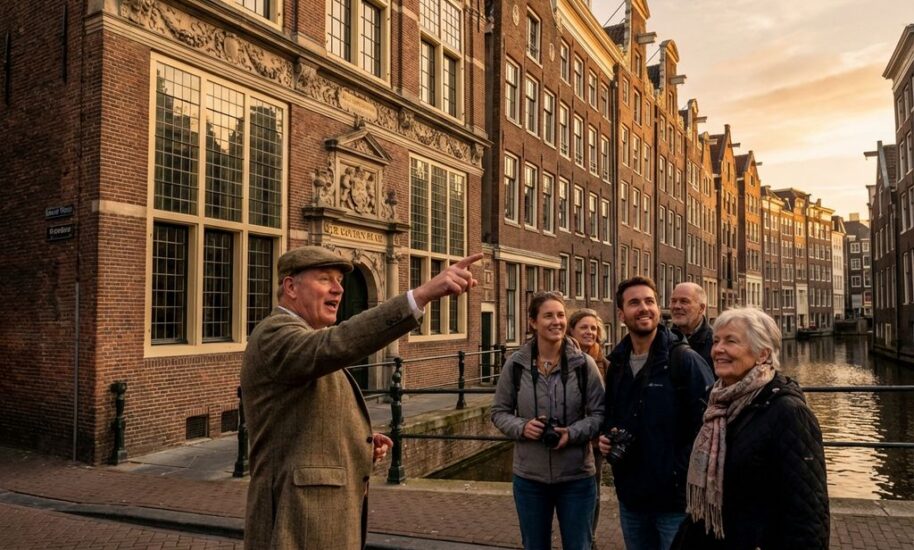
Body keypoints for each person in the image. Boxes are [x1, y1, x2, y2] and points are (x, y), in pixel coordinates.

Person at [241, 246, 481, 550]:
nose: (338, 289)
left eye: (340, 280)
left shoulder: (305, 338)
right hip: (295, 521)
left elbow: (304, 416)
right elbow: (338, 344)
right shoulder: (275, 333)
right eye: (325, 279)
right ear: (290, 287)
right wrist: (420, 296)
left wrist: (357, 441)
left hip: (320, 520)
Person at [674, 308, 829, 549]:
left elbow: (807, 513)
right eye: (716, 341)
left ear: (762, 354)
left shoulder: (789, 412)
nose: (718, 350)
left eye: (731, 341)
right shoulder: (718, 403)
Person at [599, 277, 713, 550]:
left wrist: (677, 472)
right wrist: (606, 436)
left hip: (673, 502)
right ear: (621, 314)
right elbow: (612, 415)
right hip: (632, 498)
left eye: (649, 301)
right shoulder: (617, 365)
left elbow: (709, 424)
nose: (644, 308)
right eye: (634, 302)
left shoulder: (683, 360)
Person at [492, 292, 605, 550]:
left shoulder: (584, 365)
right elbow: (498, 412)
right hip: (530, 477)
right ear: (533, 322)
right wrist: (523, 427)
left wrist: (573, 433)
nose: (557, 321)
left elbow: (600, 414)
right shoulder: (516, 365)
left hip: (576, 477)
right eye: (548, 315)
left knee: (579, 545)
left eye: (561, 315)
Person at [567, 308, 609, 547]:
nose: (589, 332)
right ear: (571, 330)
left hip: (593, 443)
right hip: (568, 439)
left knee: (592, 493)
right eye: (584, 327)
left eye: (593, 328)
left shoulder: (604, 363)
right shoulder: (563, 360)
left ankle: (589, 539)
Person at [669, 282, 714, 368]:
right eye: (673, 301)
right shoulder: (663, 341)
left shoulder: (715, 343)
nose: (677, 306)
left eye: (684, 301)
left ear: (701, 308)